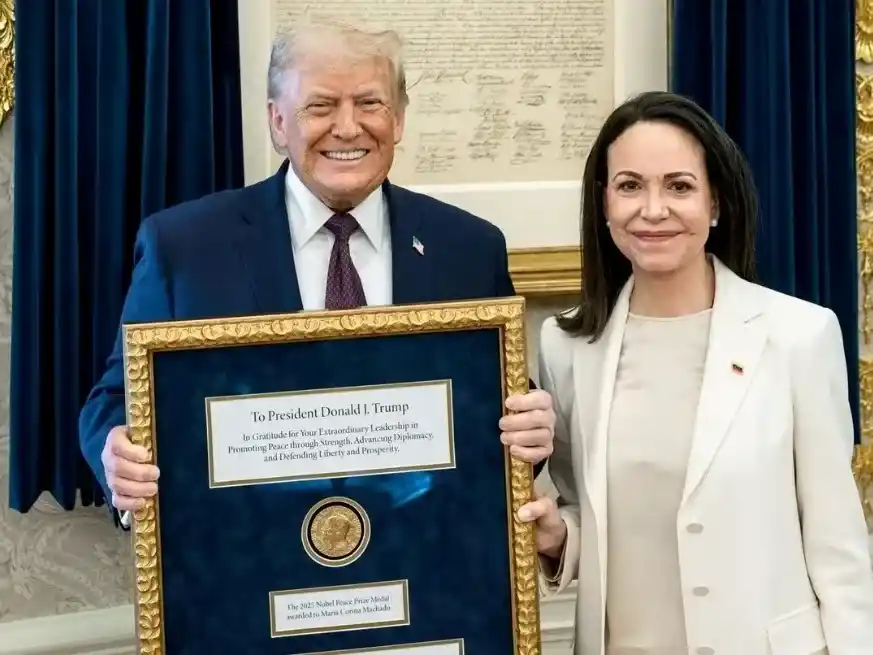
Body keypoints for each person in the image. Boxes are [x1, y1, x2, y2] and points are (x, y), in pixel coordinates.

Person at [78, 20, 555, 521]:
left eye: (369, 103)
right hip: (244, 558)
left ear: (399, 120)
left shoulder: (468, 249)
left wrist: (532, 433)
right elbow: (116, 399)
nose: (348, 128)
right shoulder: (184, 247)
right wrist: (116, 453)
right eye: (321, 106)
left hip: (423, 556)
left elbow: (503, 414)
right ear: (278, 122)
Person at [520, 91, 873, 654]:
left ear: (715, 204)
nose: (652, 210)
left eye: (679, 186)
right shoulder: (566, 345)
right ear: (604, 203)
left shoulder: (798, 335)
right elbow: (589, 513)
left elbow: (838, 546)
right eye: (630, 185)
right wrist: (559, 538)